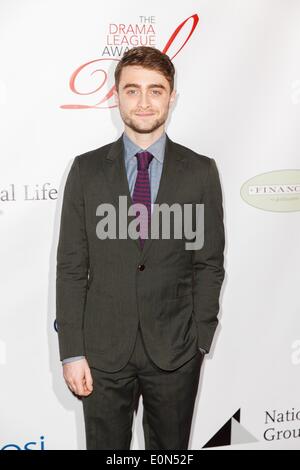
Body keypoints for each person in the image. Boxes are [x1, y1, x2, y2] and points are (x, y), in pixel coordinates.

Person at [56, 46, 225, 450]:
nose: (144, 102)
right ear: (116, 96)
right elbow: (72, 267)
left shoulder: (201, 171)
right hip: (102, 352)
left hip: (176, 352)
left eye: (156, 90)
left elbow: (209, 263)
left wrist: (200, 339)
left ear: (172, 97)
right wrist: (72, 352)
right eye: (133, 90)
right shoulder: (86, 170)